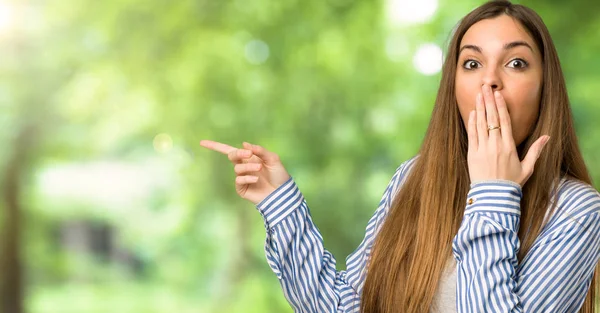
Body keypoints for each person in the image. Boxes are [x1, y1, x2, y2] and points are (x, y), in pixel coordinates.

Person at [200, 0, 600, 312]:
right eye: (472, 63)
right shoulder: (413, 179)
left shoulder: (577, 210)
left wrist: (494, 192)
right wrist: (279, 203)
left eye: (516, 63)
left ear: (545, 87)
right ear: (453, 87)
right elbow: (341, 308)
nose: (489, 79)